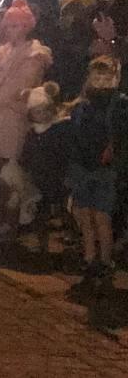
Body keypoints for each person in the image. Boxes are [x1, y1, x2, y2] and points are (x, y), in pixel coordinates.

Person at [0, 0, 53, 241]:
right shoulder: (1, 52)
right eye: (8, 26)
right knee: (1, 171)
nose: (11, 30)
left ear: (27, 26)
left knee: (10, 171)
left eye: (16, 26)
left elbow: (18, 88)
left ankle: (11, 221)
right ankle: (3, 219)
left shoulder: (34, 55)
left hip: (14, 119)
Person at [64, 57, 126, 287]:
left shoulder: (119, 104)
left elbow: (119, 135)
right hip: (82, 165)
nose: (101, 82)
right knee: (85, 215)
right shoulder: (83, 104)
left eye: (106, 78)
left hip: (104, 168)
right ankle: (90, 258)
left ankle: (105, 261)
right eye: (97, 77)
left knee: (102, 217)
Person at [20, 82, 70, 251]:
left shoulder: (59, 130)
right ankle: (42, 244)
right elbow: (26, 154)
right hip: (39, 178)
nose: (42, 115)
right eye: (37, 111)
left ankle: (70, 241)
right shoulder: (32, 133)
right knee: (41, 212)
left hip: (57, 177)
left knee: (64, 211)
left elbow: (64, 153)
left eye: (45, 110)